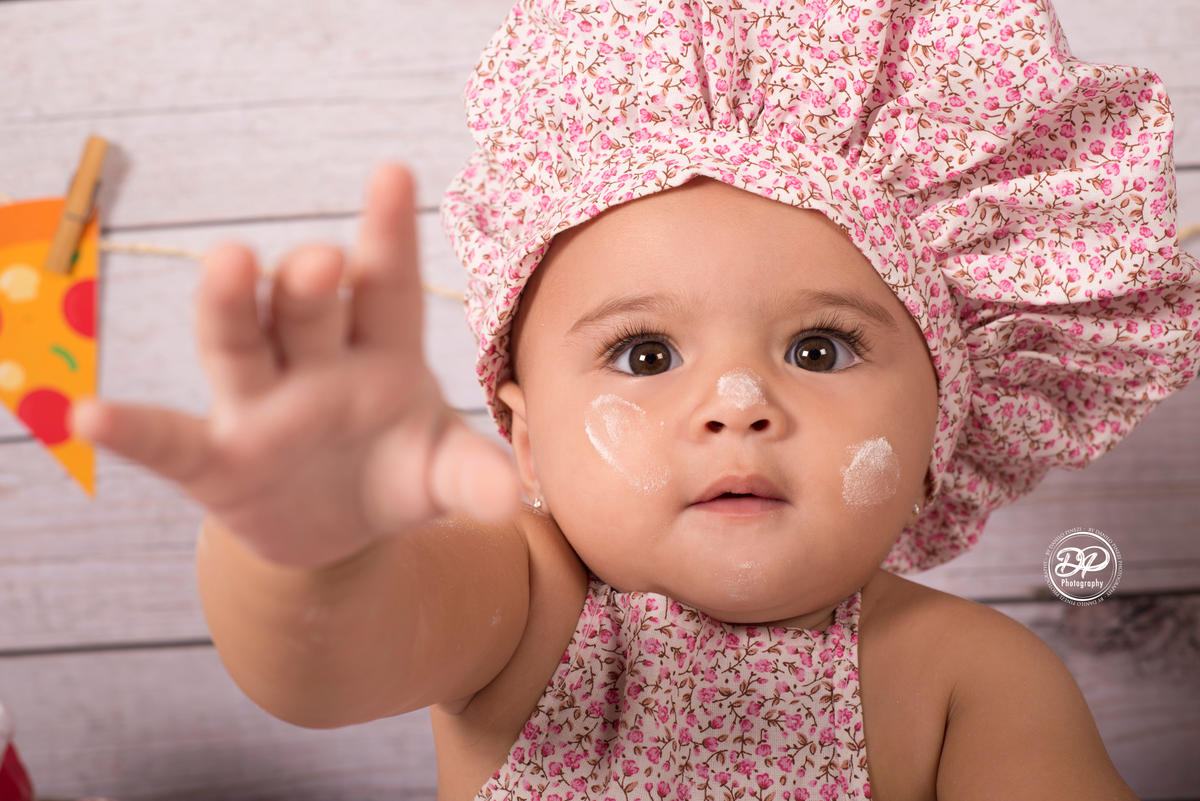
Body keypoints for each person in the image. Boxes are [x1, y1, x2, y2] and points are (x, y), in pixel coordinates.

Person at [71, 0, 1199, 797]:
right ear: (523, 442)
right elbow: (321, 661)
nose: (740, 403)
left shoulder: (967, 677)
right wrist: (301, 544)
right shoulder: (526, 607)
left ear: (941, 427)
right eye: (646, 355)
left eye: (819, 346)